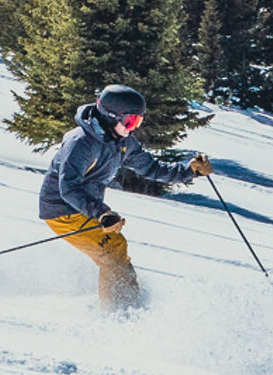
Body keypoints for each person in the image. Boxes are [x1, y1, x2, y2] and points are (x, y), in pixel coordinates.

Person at [37, 84, 213, 310]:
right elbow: (68, 188)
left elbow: (152, 168)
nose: (134, 129)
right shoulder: (81, 143)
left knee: (115, 250)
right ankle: (117, 312)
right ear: (111, 117)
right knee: (113, 251)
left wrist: (189, 171)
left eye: (138, 122)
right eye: (130, 122)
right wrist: (101, 213)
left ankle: (126, 303)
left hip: (85, 208)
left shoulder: (123, 142)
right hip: (63, 210)